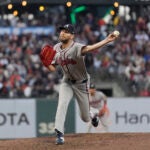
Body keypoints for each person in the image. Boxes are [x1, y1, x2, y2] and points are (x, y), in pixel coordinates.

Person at [47, 24, 119, 144]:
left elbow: (91, 48)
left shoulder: (76, 47)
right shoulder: (56, 48)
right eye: (61, 31)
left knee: (85, 118)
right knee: (62, 104)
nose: (62, 33)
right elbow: (53, 68)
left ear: (72, 36)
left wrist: (107, 40)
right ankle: (59, 134)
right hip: (67, 81)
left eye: (66, 31)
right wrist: (46, 63)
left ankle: (93, 113)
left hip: (82, 83)